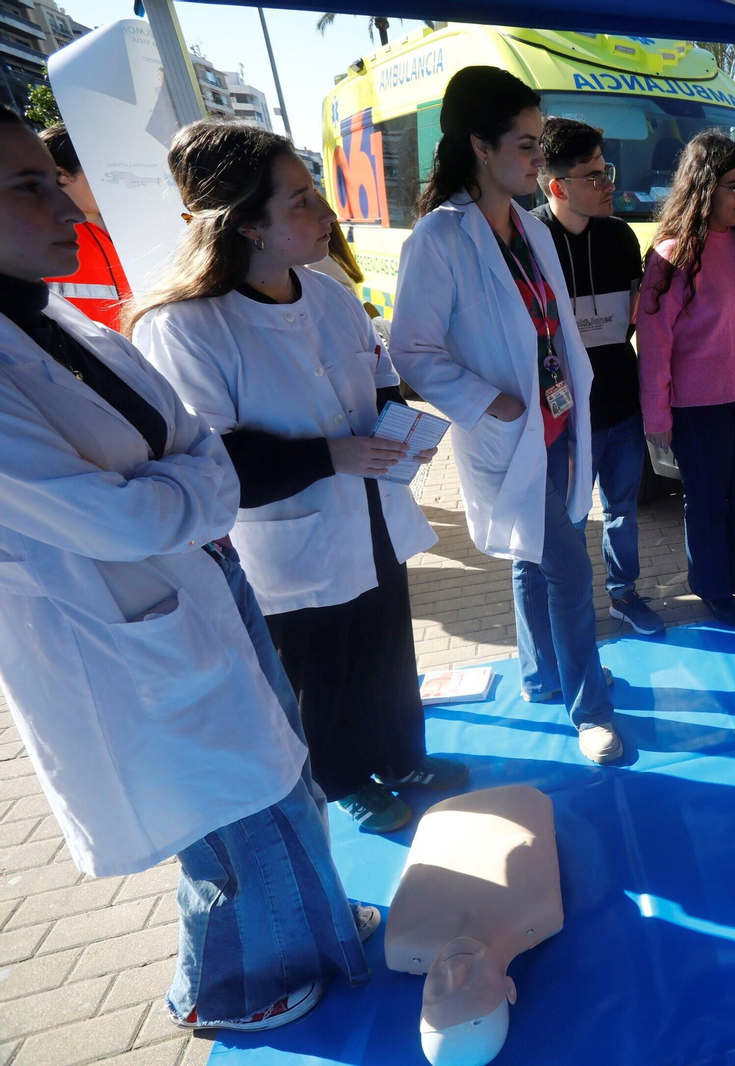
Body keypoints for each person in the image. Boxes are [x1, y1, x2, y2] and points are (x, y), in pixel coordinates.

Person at [0, 106, 371, 1032]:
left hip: (201, 583)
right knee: (235, 814)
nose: (66, 208)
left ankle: (318, 931)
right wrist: (191, 485)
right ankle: (231, 988)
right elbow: (123, 512)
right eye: (27, 187)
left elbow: (196, 448)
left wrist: (184, 483)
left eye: (55, 182)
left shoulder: (59, 323)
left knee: (280, 771)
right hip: (127, 635)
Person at [130, 120, 465, 834]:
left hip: (369, 512)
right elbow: (211, 462)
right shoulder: (185, 327)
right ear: (249, 226)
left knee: (384, 646)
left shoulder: (332, 295)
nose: (324, 213)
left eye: (315, 193)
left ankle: (403, 755)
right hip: (288, 536)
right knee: (324, 667)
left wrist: (402, 431)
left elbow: (379, 385)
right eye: (301, 200)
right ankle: (342, 778)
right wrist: (332, 456)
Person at [389, 66, 623, 764]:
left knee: (533, 557)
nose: (536, 157)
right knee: (569, 569)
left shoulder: (530, 228)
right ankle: (591, 708)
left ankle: (541, 674)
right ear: (479, 147)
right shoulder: (440, 238)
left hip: (554, 423)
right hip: (511, 428)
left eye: (538, 142)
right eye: (525, 144)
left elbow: (549, 329)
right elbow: (413, 350)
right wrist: (491, 402)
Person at [532, 117, 664, 636]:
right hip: (562, 416)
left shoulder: (619, 236)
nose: (610, 183)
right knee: (565, 522)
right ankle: (566, 611)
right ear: (557, 186)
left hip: (620, 402)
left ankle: (624, 595)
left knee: (622, 510)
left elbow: (639, 317)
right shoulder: (531, 239)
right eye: (594, 176)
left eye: (606, 169)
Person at [636, 131, 735, 627]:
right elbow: (653, 344)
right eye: (733, 186)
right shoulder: (671, 254)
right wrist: (657, 415)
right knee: (709, 501)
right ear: (704, 187)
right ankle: (712, 586)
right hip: (696, 407)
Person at [39, 123, 131, 330]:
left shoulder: (131, 222)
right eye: (98, 169)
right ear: (62, 174)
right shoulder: (37, 238)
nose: (109, 179)